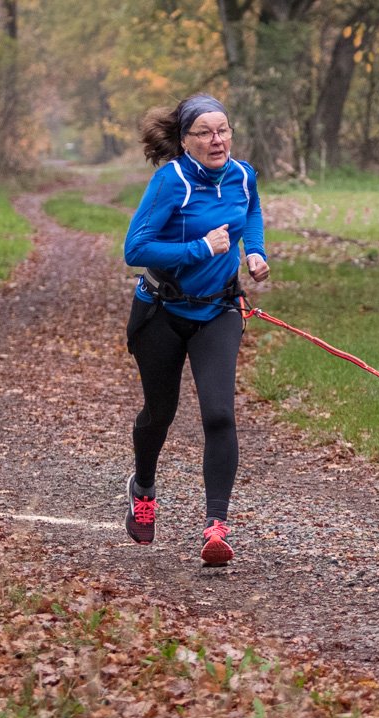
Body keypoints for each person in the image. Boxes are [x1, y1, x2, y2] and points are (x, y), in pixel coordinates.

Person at [122, 93, 270, 566]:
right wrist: (200, 249)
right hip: (161, 312)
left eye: (223, 130)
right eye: (205, 132)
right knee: (159, 414)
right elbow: (135, 248)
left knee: (220, 415)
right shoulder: (171, 181)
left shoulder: (243, 175)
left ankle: (216, 527)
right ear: (185, 141)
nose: (217, 140)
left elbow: (251, 211)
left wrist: (254, 251)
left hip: (220, 309)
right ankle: (143, 487)